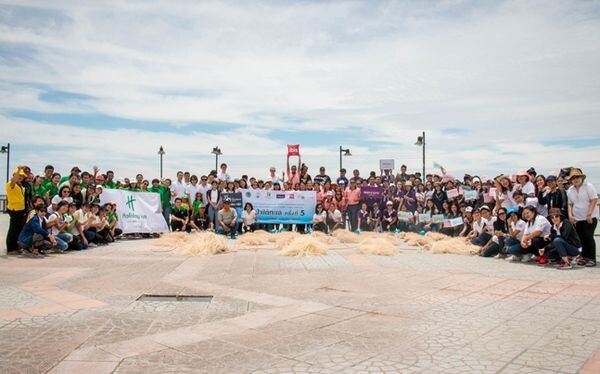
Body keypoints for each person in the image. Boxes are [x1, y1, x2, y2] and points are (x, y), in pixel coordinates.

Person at [566, 168, 597, 267]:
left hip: (590, 217)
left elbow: (594, 200)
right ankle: (584, 257)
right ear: (571, 180)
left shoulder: (588, 186)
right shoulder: (570, 190)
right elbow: (570, 204)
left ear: (581, 178)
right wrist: (570, 215)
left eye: (577, 177)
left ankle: (592, 258)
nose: (576, 179)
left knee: (588, 237)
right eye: (573, 178)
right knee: (581, 239)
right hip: (577, 218)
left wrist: (589, 214)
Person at [6, 167, 28, 254]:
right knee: (13, 229)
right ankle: (11, 248)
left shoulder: (21, 185)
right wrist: (19, 170)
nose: (20, 177)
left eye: (22, 176)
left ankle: (16, 246)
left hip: (20, 209)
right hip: (14, 209)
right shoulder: (11, 184)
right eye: (19, 175)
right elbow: (13, 182)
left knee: (18, 228)